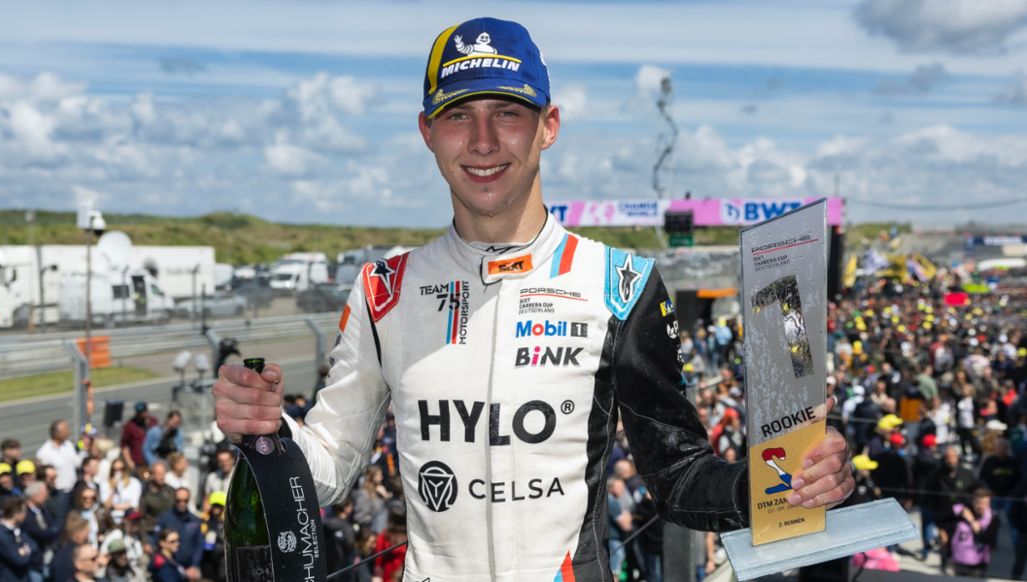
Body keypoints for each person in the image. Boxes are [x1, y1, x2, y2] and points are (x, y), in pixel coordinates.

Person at [212, 16, 853, 580]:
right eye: (459, 115)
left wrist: (780, 485)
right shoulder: (386, 289)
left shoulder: (620, 282)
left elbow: (679, 478)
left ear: (548, 126)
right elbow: (325, 471)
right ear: (427, 132)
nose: (484, 141)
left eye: (508, 113)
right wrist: (269, 427)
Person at [154, 488, 202, 580]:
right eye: (178, 500)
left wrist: (194, 565)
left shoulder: (195, 521)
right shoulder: (164, 518)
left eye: (185, 500)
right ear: (174, 500)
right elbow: (157, 541)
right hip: (168, 567)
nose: (182, 503)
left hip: (190, 568)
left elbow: (199, 545)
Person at [0, 496, 38, 582]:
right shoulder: (0, 536)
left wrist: (24, 551)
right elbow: (19, 560)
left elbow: (34, 545)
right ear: (16, 513)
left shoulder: (19, 529)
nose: (26, 514)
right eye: (24, 511)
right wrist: (26, 550)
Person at [20, 481, 57, 582]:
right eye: (44, 492)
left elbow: (54, 526)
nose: (46, 495)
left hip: (48, 555)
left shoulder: (45, 510)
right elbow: (37, 532)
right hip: (34, 560)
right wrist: (51, 533)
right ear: (34, 495)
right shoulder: (24, 513)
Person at [35, 420, 82, 494]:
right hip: (58, 492)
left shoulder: (68, 445)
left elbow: (77, 462)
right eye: (65, 430)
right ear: (57, 433)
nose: (68, 432)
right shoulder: (44, 452)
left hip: (74, 489)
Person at [120, 402, 156, 476]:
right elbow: (124, 445)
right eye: (139, 413)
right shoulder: (130, 426)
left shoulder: (153, 422)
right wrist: (129, 462)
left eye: (143, 412)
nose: (142, 415)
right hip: (139, 462)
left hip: (153, 460)